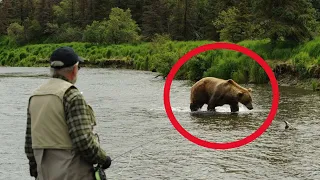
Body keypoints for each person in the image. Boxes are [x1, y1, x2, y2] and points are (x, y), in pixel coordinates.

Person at [24, 47, 111, 180]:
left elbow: (29, 145)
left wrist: (36, 171)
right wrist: (104, 159)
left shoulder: (35, 96)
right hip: (73, 174)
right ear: (75, 69)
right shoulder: (72, 95)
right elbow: (84, 142)